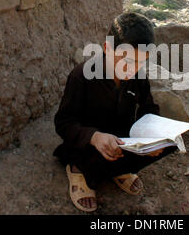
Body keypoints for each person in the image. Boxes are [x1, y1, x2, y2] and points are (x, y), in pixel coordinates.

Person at [53, 12, 177, 212]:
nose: (132, 69)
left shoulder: (137, 75)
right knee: (93, 157)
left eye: (140, 62)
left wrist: (154, 135)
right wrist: (94, 137)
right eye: (126, 60)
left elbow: (148, 108)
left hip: (122, 141)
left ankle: (120, 169)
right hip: (89, 147)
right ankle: (78, 170)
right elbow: (64, 123)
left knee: (171, 143)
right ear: (107, 48)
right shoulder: (82, 76)